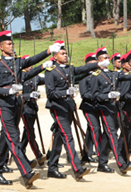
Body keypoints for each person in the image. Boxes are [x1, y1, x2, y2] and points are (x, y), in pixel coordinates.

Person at [0, 30, 54, 188]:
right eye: (9, 44)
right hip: (4, 105)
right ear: (1, 47)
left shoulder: (17, 62)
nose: (12, 46)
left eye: (12, 43)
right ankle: (26, 173)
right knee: (13, 138)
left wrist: (48, 51)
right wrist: (9, 91)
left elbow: (33, 59)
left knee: (5, 140)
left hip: (17, 105)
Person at [45, 40, 98, 180]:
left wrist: (97, 64)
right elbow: (50, 93)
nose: (65, 55)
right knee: (68, 137)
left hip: (67, 106)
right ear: (55, 56)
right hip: (57, 107)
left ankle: (52, 167)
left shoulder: (69, 69)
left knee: (59, 137)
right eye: (62, 53)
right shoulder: (50, 71)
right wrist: (65, 93)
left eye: (66, 53)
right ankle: (77, 168)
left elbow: (82, 69)